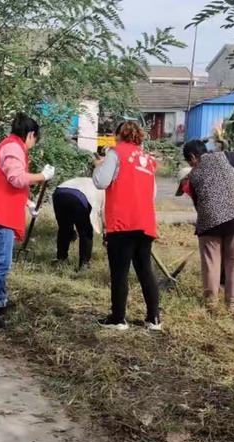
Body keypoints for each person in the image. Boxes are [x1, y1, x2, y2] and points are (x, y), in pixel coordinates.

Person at [0, 113, 55, 328]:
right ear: (30, 135)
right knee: (1, 264)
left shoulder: (8, 145)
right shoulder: (13, 148)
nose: (33, 145)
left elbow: (6, 183)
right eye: (35, 140)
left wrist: (26, 202)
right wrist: (42, 176)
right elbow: (17, 178)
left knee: (3, 262)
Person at [181, 140, 234, 311]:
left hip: (210, 222)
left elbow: (199, 206)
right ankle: (233, 307)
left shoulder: (193, 176)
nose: (190, 165)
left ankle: (211, 304)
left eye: (189, 162)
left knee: (211, 263)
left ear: (192, 157)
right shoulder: (225, 157)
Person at [93, 121, 161, 331]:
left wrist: (98, 166)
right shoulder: (148, 160)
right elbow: (153, 193)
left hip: (122, 222)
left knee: (120, 273)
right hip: (144, 222)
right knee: (145, 271)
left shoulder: (116, 153)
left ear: (118, 135)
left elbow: (100, 182)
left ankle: (118, 318)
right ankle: (153, 319)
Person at [52, 177, 105, 270]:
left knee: (64, 229)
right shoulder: (104, 190)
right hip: (78, 196)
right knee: (86, 232)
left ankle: (61, 259)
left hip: (59, 192)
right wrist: (105, 232)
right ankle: (84, 265)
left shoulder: (88, 180)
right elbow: (103, 214)